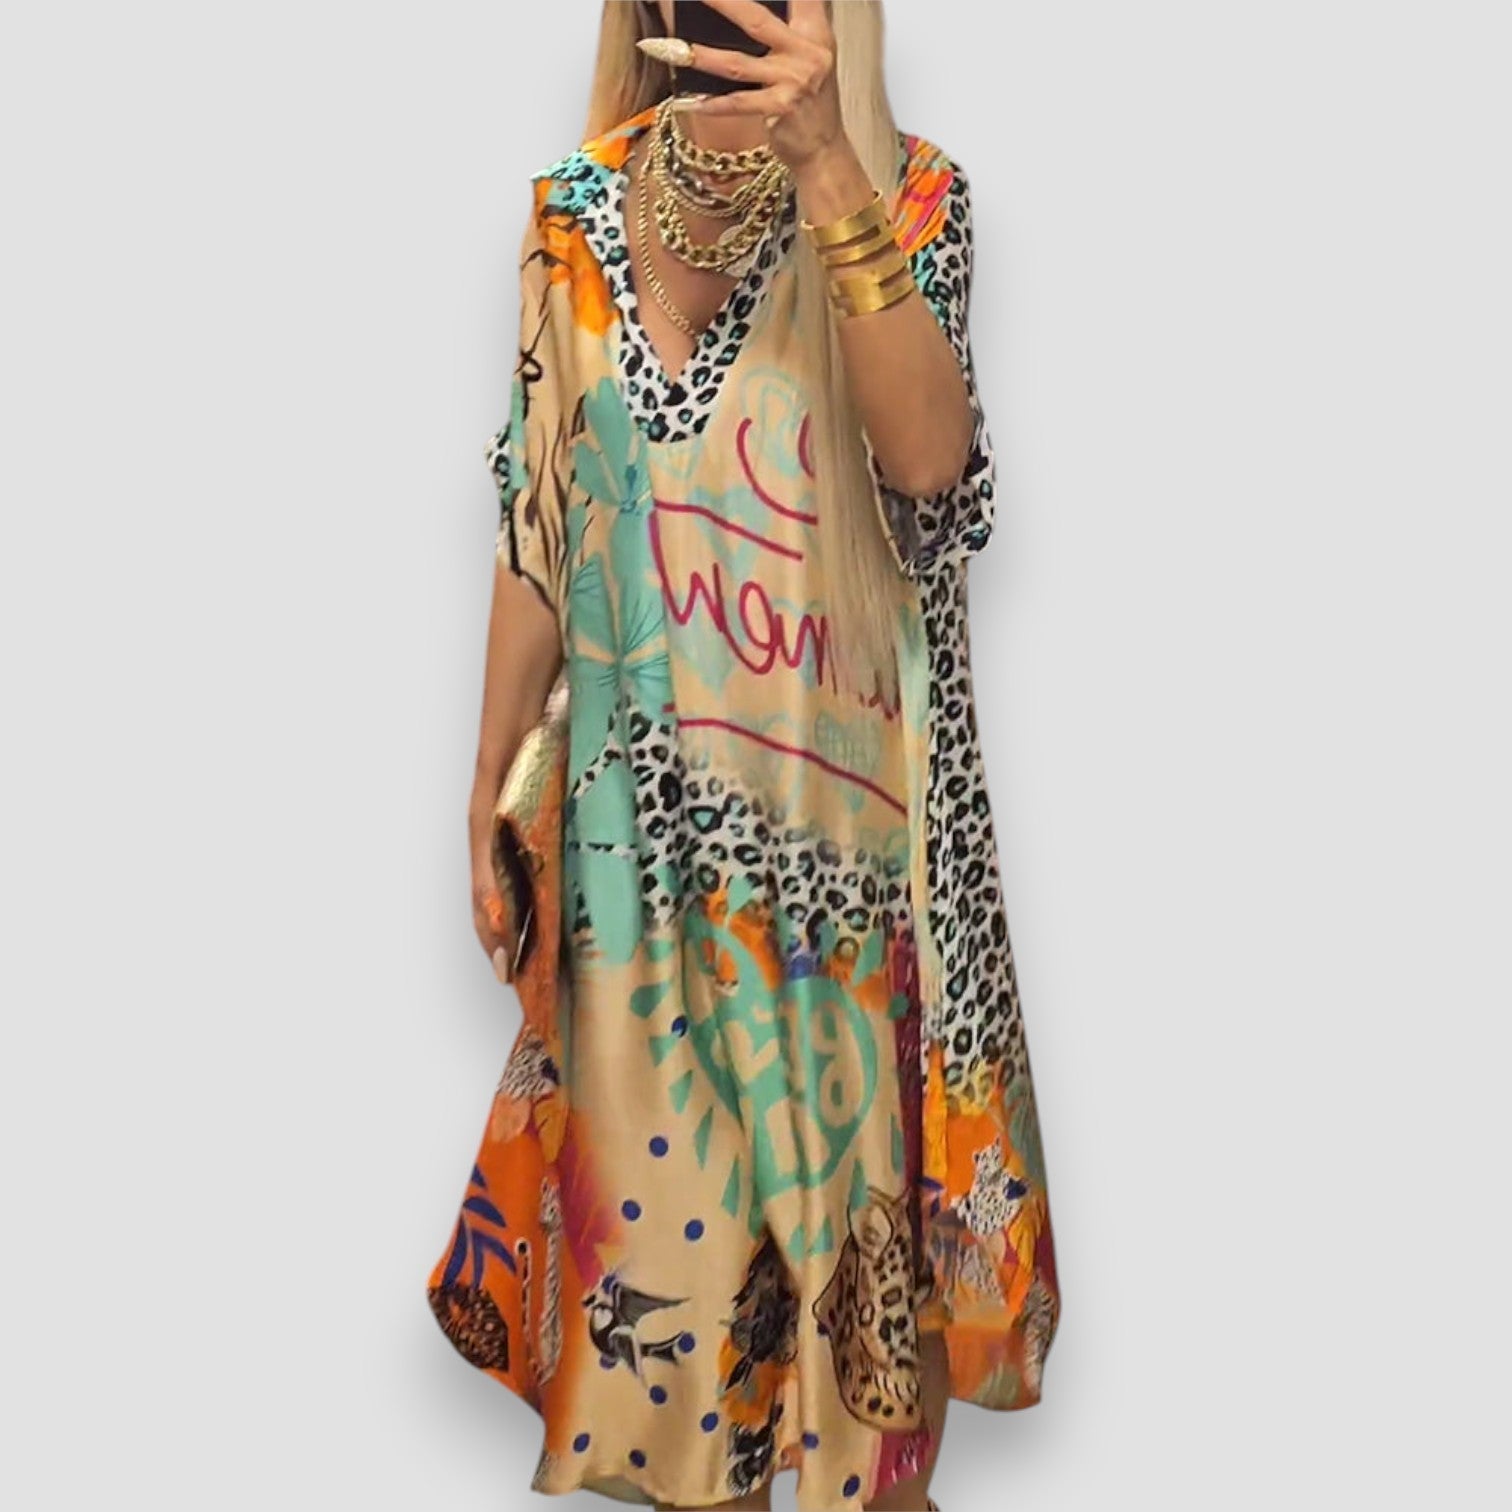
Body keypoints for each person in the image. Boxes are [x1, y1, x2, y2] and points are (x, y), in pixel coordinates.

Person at [427, 4, 1061, 1509]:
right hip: (637, 892)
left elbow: (932, 463)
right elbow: (540, 525)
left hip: (855, 896)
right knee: (674, 1418)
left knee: (868, 1424)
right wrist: (483, 783)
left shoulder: (912, 197)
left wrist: (829, 163)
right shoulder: (571, 215)